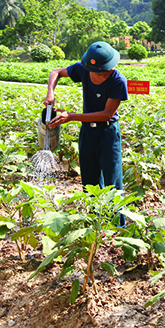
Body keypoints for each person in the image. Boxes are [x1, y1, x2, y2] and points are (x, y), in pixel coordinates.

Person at [44, 41, 129, 225]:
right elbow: (56, 72)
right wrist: (50, 92)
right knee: (89, 182)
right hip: (87, 133)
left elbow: (107, 114)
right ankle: (94, 223)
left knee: (113, 182)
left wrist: (72, 116)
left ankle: (117, 229)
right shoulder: (84, 70)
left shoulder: (117, 81)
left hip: (107, 133)